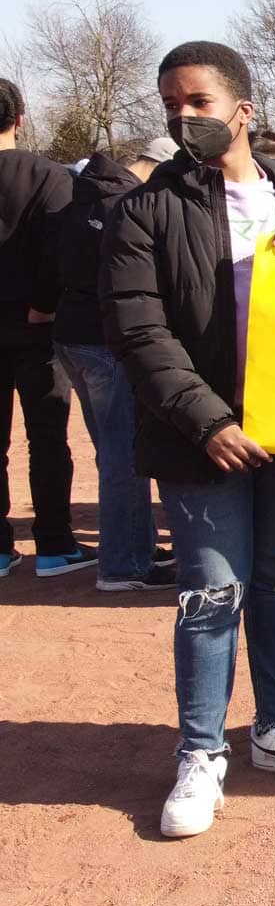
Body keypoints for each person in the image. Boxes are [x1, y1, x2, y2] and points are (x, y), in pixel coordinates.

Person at [101, 41, 275, 838]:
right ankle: (201, 752)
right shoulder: (145, 209)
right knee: (210, 595)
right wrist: (208, 419)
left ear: (243, 109)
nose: (182, 117)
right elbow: (142, 334)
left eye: (198, 102)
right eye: (172, 103)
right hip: (200, 438)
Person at [53, 137, 182, 591]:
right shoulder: (124, 204)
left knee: (112, 448)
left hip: (72, 337)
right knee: (125, 455)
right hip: (105, 342)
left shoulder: (84, 192)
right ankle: (124, 565)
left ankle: (135, 547)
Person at [0, 77, 89, 581]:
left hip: (29, 323)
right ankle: (54, 543)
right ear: (20, 117)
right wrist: (42, 308)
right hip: (37, 328)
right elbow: (62, 252)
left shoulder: (51, 175)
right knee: (47, 437)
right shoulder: (50, 177)